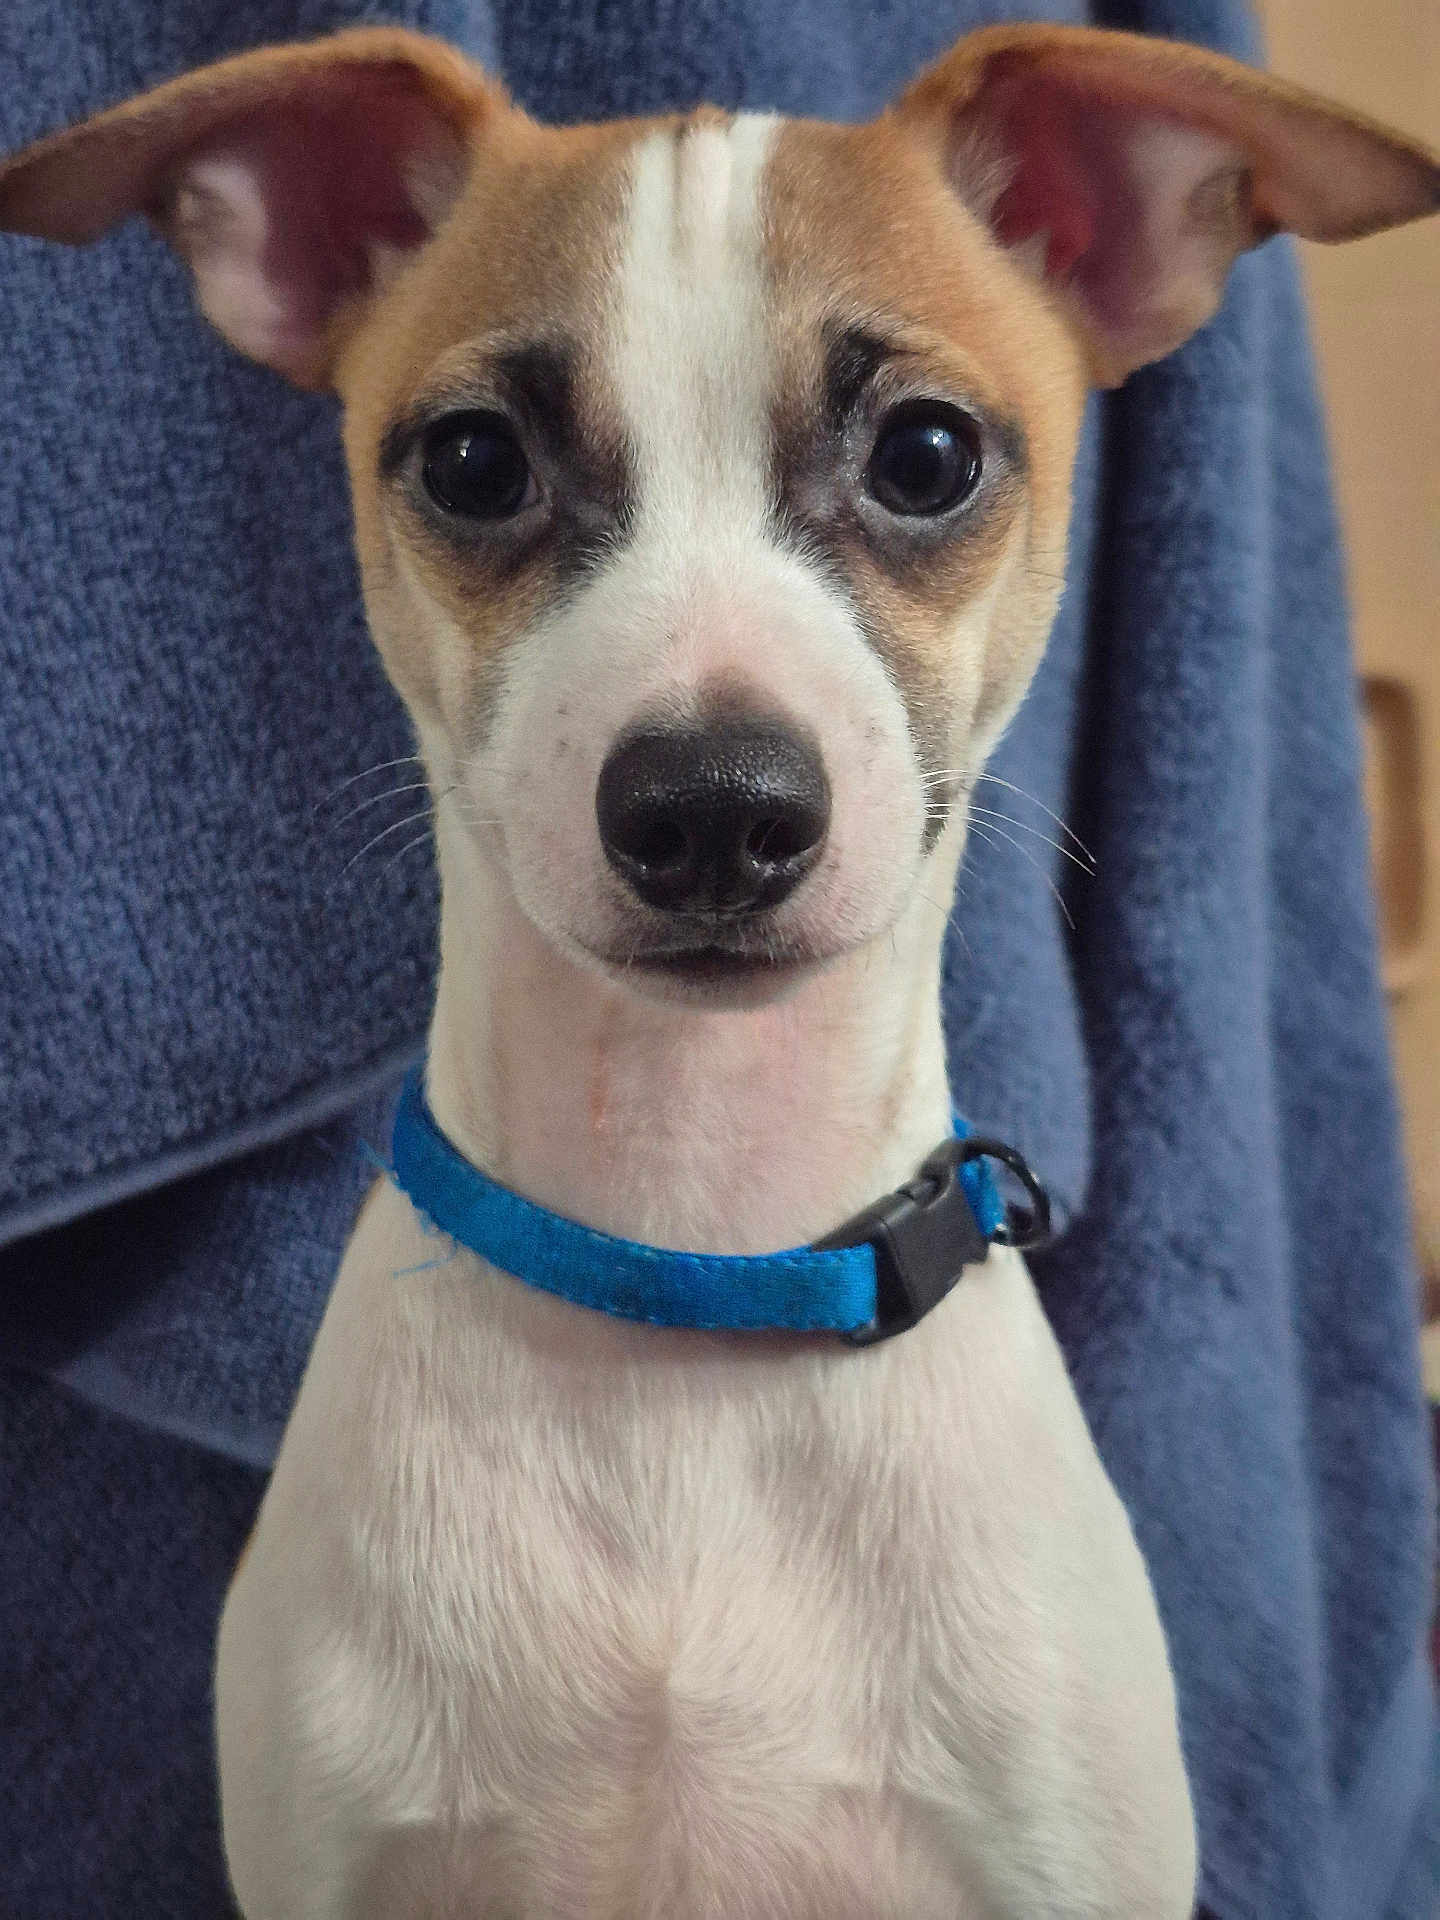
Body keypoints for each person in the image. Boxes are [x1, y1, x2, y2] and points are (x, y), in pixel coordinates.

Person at [0, 1, 1432, 1913]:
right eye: (489, 474)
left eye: (919, 462)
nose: (707, 750)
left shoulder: (1020, 1610)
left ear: (1102, 233)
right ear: (303, 251)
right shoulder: (358, 1611)